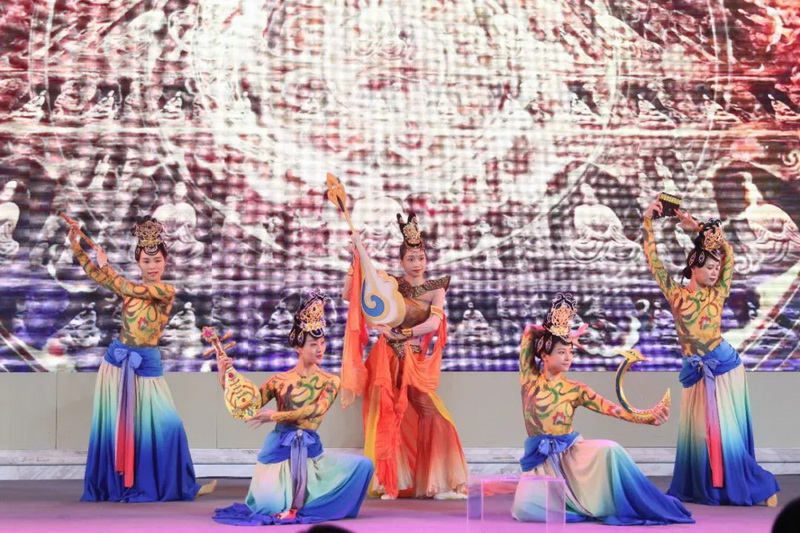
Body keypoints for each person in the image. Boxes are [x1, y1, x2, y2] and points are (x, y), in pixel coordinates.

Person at [511, 292, 694, 525]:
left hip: (569, 454)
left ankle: (626, 502)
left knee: (610, 449)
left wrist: (647, 418)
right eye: (561, 352)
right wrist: (557, 331)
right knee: (526, 510)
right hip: (539, 458)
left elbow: (613, 410)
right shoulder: (529, 379)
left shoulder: (575, 389)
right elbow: (529, 331)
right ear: (545, 355)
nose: (568, 357)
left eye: (571, 352)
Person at [643, 197, 780, 505]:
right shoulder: (677, 295)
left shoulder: (718, 292)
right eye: (709, 267)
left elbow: (728, 252)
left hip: (724, 366)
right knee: (700, 434)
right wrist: (648, 221)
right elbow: (654, 262)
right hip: (696, 370)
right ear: (694, 266)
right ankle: (706, 487)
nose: (716, 271)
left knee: (724, 433)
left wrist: (698, 227)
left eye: (717, 268)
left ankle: (755, 486)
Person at [67, 216, 212, 502]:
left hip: (146, 364)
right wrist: (76, 245)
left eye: (157, 260)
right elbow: (97, 276)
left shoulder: (165, 290)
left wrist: (106, 265)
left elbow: (127, 287)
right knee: (116, 428)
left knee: (170, 425)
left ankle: (167, 483)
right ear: (138, 263)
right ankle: (117, 485)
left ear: (165, 262)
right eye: (146, 261)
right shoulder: (127, 288)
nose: (152, 266)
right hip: (116, 362)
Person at [213, 290, 373, 525]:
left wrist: (275, 416)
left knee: (364, 465)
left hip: (310, 450)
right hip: (278, 448)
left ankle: (310, 503)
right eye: (313, 344)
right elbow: (249, 405)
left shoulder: (330, 381)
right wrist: (224, 376)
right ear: (299, 347)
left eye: (322, 343)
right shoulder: (279, 380)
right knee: (268, 509)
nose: (320, 349)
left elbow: (317, 410)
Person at [340, 213, 468, 499]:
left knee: (431, 412)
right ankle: (388, 482)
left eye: (420, 257)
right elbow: (350, 296)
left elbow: (433, 324)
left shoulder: (435, 290)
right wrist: (356, 261)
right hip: (386, 356)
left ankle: (441, 482)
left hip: (413, 358)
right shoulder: (391, 284)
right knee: (386, 414)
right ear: (402, 262)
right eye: (410, 258)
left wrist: (406, 334)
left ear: (427, 260)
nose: (417, 263)